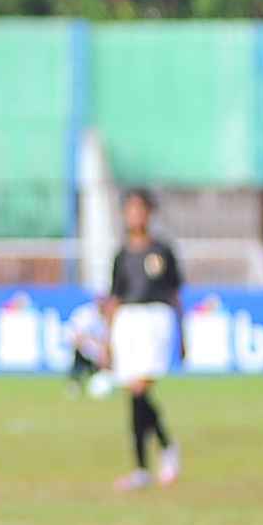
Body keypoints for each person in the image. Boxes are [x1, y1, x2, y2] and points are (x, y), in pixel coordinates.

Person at [102, 188, 183, 490]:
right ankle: (152, 458)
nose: (135, 215)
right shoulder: (122, 255)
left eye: (140, 209)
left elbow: (175, 295)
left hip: (155, 319)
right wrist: (107, 340)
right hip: (128, 320)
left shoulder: (162, 251)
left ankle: (157, 457)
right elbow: (114, 298)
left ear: (149, 213)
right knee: (133, 392)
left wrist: (183, 334)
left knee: (140, 388)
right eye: (130, 210)